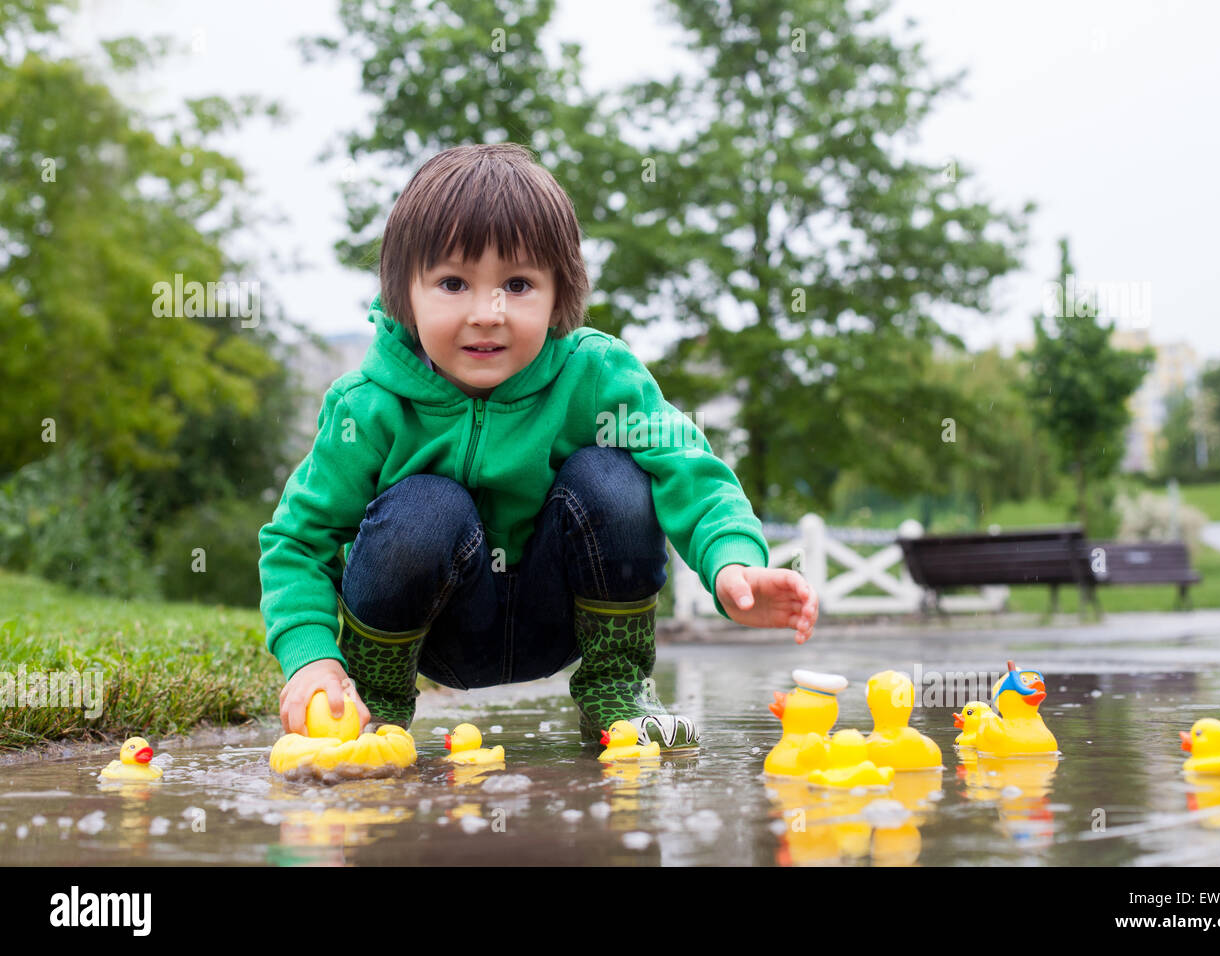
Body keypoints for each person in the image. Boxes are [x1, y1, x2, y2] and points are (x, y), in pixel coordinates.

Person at [259, 142, 818, 751]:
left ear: (560, 295)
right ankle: (369, 704)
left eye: (518, 283)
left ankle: (618, 690)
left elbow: (688, 467)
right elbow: (296, 542)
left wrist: (733, 559)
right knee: (425, 504)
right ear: (404, 292)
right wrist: (310, 658)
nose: (487, 313)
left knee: (613, 474)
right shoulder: (367, 407)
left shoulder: (598, 376)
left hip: (562, 616)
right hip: (437, 630)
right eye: (452, 282)